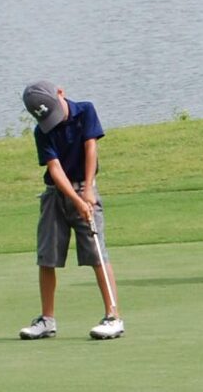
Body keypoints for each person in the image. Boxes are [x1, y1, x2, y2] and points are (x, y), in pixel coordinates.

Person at [17, 80, 123, 340]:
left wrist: (87, 190)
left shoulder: (85, 111)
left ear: (61, 93)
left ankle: (113, 317)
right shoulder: (42, 131)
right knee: (47, 257)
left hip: (84, 187)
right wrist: (76, 201)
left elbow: (91, 148)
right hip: (56, 194)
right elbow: (54, 168)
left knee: (97, 254)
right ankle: (47, 320)